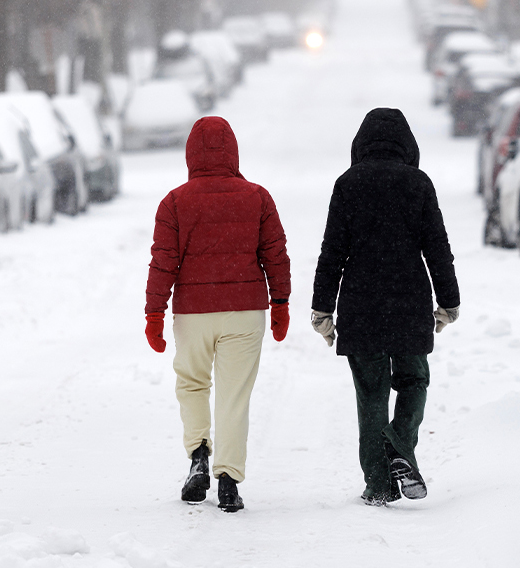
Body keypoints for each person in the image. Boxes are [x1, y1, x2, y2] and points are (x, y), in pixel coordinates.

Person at [311, 108, 460, 506]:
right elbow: (437, 247)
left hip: (360, 304)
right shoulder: (418, 183)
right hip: (408, 299)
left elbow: (332, 252)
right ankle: (400, 443)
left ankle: (378, 483)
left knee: (371, 394)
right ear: (407, 145)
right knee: (414, 380)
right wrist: (449, 300)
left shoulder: (347, 184)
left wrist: (322, 307)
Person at [144, 116, 291, 513]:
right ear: (233, 153)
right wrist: (280, 303)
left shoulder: (174, 202)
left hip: (193, 313)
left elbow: (163, 263)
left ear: (191, 154)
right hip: (245, 312)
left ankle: (198, 455)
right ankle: (228, 479)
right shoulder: (257, 197)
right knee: (234, 395)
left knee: (192, 384)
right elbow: (275, 256)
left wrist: (154, 313)